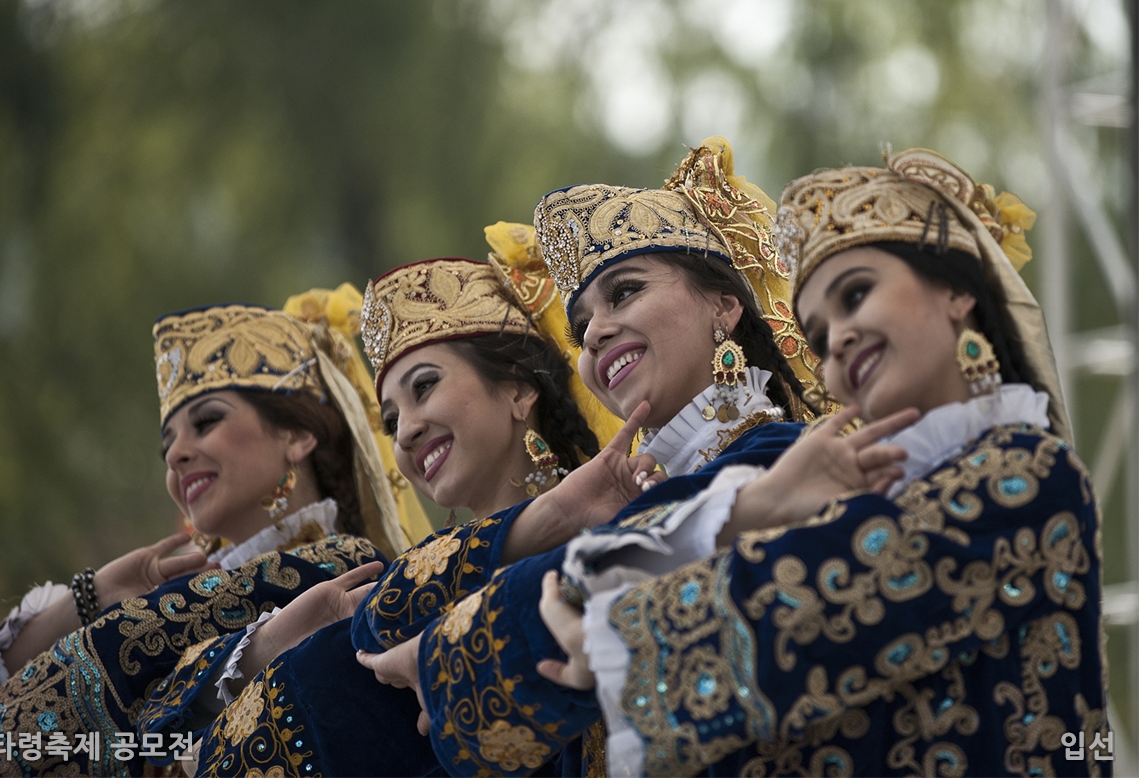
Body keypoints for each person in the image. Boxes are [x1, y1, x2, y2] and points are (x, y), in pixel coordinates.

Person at [544, 148, 1109, 776]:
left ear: (955, 290)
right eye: (818, 336)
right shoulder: (876, 488)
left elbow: (815, 601)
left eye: (857, 294)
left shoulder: (1029, 473)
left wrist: (614, 637)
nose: (838, 338)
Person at [358, 137, 823, 775]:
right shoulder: (644, 498)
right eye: (580, 328)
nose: (597, 331)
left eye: (624, 292)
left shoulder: (782, 456)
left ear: (724, 305)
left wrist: (450, 651)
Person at [177, 241, 656, 777]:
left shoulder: (619, 532)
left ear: (519, 390)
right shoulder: (417, 587)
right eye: (389, 421)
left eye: (424, 387)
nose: (405, 431)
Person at [0, 292, 426, 776]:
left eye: (207, 421)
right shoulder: (195, 591)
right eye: (166, 446)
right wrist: (92, 597)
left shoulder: (343, 569)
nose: (175, 456)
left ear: (296, 436)